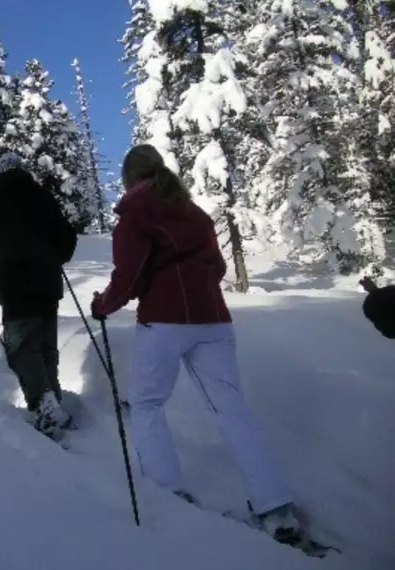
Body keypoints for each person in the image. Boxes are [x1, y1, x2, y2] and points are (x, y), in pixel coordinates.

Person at [90, 144, 301, 542]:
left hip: (164, 322)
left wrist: (104, 305)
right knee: (231, 408)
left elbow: (129, 276)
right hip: (213, 320)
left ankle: (166, 491)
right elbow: (218, 266)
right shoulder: (195, 212)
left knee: (147, 402)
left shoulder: (135, 212)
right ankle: (276, 507)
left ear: (130, 177)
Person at [0, 153, 78, 438]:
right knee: (46, 347)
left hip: (15, 284)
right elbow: (68, 239)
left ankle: (44, 406)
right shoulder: (42, 196)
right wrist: (54, 257)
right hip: (48, 284)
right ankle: (53, 401)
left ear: (0, 172)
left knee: (22, 349)